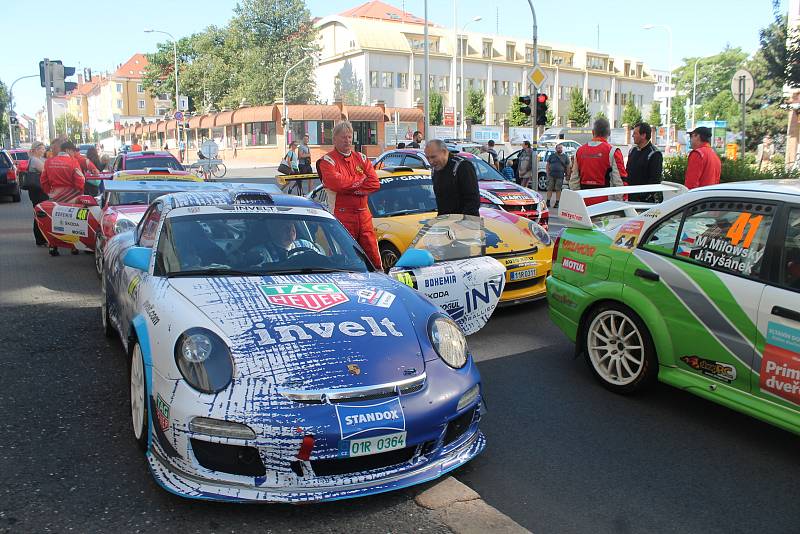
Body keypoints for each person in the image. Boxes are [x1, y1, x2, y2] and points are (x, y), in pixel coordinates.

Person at [317, 121, 382, 269]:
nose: (347, 140)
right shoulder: (327, 161)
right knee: (344, 259)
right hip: (341, 216)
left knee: (374, 259)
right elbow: (337, 184)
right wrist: (360, 181)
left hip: (364, 215)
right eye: (343, 137)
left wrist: (351, 187)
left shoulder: (361, 158)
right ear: (334, 139)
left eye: (349, 136)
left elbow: (375, 183)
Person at [40, 140, 86, 256]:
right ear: (68, 150)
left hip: (55, 196)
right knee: (71, 222)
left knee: (54, 221)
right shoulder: (73, 162)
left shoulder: (49, 162)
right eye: (73, 151)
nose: (74, 154)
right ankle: (73, 247)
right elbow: (80, 180)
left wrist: (49, 193)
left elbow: (43, 180)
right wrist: (78, 191)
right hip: (72, 197)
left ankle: (53, 246)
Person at [569, 117, 627, 206]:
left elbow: (574, 180)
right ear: (609, 133)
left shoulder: (579, 151)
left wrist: (578, 202)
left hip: (584, 202)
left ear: (593, 132)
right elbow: (619, 181)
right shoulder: (613, 151)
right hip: (606, 204)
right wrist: (621, 204)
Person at [424, 139, 480, 217]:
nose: (431, 162)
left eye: (433, 157)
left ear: (444, 152)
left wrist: (461, 224)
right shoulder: (436, 170)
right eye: (428, 158)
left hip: (465, 223)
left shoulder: (462, 166)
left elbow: (472, 201)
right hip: (445, 222)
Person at [625, 122, 663, 202]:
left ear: (643, 135)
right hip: (630, 198)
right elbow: (627, 173)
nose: (632, 136)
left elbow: (654, 181)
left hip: (644, 201)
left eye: (635, 133)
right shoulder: (632, 150)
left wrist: (643, 197)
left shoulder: (654, 154)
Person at [685, 126, 721, 190]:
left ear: (697, 136)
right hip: (710, 196)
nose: (690, 140)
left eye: (691, 136)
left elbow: (691, 183)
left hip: (698, 197)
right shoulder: (714, 155)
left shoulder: (697, 154)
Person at [26, 141, 48, 247]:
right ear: (37, 149)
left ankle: (40, 238)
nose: (44, 151)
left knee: (39, 212)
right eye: (42, 149)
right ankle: (40, 239)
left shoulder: (34, 159)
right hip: (38, 191)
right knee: (40, 213)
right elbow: (46, 171)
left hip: (36, 191)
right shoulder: (35, 160)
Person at [545, 144, 571, 208]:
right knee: (549, 188)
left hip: (560, 176)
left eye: (561, 148)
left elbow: (568, 166)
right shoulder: (552, 156)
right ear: (556, 149)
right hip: (551, 175)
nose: (560, 149)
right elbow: (548, 165)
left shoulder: (565, 156)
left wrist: (568, 175)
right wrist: (547, 173)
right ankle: (548, 202)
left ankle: (557, 202)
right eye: (558, 148)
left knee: (558, 189)